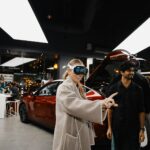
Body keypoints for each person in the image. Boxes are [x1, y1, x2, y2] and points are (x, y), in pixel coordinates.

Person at [52, 58, 118, 150]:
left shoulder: (78, 87)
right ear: (69, 71)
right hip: (70, 133)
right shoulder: (64, 87)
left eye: (83, 72)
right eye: (77, 71)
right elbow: (75, 105)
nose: (80, 75)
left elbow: (84, 104)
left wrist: (103, 104)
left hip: (79, 132)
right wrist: (101, 104)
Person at [106, 60, 145, 150]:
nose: (132, 72)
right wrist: (109, 128)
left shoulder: (138, 89)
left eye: (133, 70)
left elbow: (141, 110)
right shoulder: (113, 88)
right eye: (129, 70)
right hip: (118, 128)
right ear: (122, 72)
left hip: (134, 128)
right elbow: (110, 109)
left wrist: (142, 129)